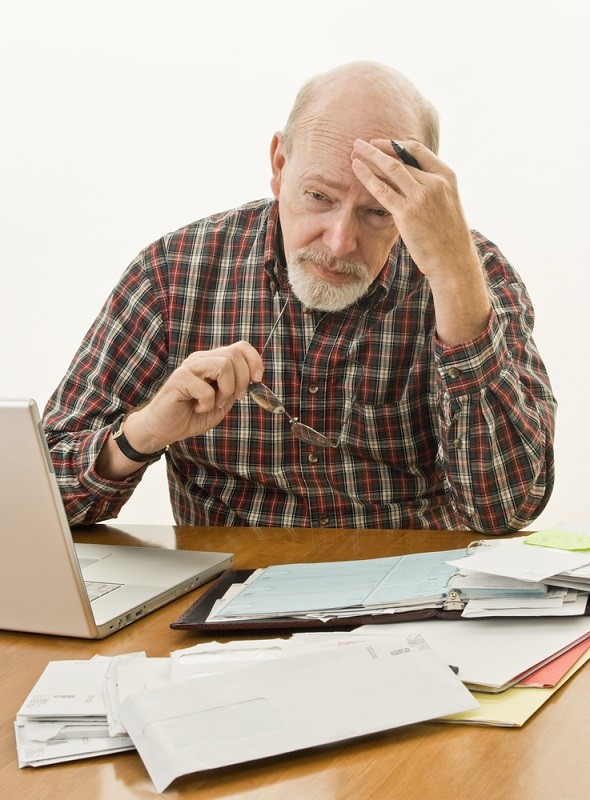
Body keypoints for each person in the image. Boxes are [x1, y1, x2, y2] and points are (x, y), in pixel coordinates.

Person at [43, 61, 556, 534]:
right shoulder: (175, 272)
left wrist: (453, 281)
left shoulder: (475, 273)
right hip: (224, 606)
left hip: (413, 604)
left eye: (378, 212)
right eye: (319, 197)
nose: (339, 243)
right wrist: (142, 434)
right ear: (280, 163)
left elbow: (505, 509)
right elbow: (40, 501)